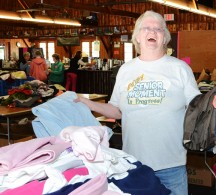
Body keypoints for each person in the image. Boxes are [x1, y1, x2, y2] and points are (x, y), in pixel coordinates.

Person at [75, 10, 200, 194]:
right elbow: (117, 111)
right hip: (134, 164)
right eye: (146, 28)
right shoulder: (126, 70)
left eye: (158, 29)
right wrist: (85, 102)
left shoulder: (180, 68)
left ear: (165, 38)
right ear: (137, 37)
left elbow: (197, 107)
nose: (152, 32)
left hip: (171, 165)